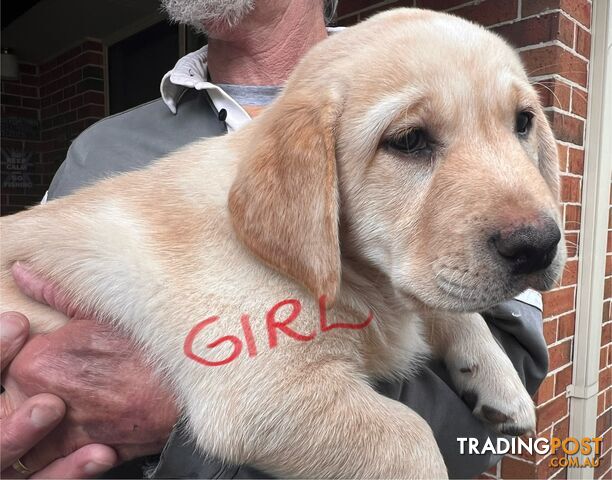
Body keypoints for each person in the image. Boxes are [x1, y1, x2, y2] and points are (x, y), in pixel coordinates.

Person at [0, 1, 549, 478]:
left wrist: (182, 393)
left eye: (522, 121)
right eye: (410, 138)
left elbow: (500, 427)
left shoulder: (434, 62)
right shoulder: (99, 147)